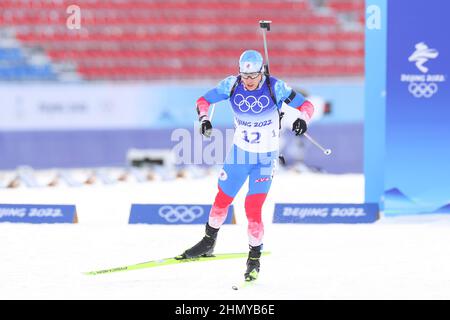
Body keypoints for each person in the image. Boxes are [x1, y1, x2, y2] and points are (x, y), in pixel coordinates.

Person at [175, 50, 314, 281]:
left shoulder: (275, 87)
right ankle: (208, 242)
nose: (249, 82)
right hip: (239, 156)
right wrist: (204, 119)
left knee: (252, 208)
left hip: (264, 159)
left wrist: (302, 120)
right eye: (245, 76)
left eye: (254, 76)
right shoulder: (231, 84)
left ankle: (254, 259)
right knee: (222, 200)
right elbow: (203, 100)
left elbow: (306, 105)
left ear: (262, 72)